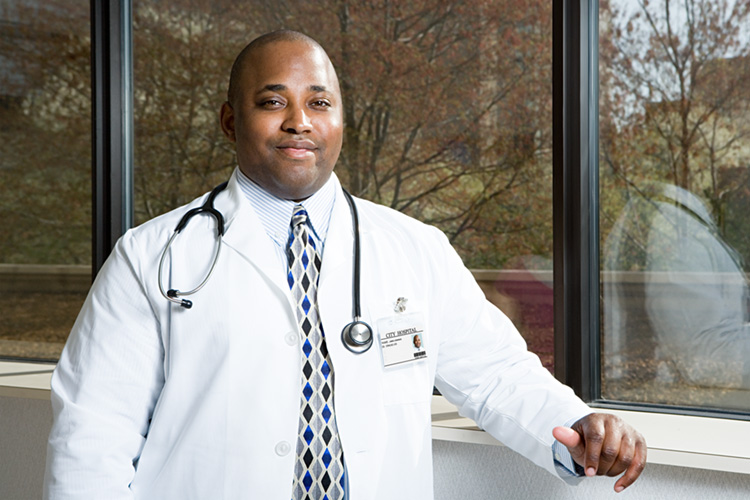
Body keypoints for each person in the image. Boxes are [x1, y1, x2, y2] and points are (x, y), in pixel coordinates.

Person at [44, 30, 646, 499]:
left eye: (319, 102)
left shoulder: (415, 248)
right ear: (232, 121)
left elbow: (496, 374)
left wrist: (580, 428)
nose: (298, 120)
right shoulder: (152, 256)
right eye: (271, 101)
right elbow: (94, 432)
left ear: (339, 122)